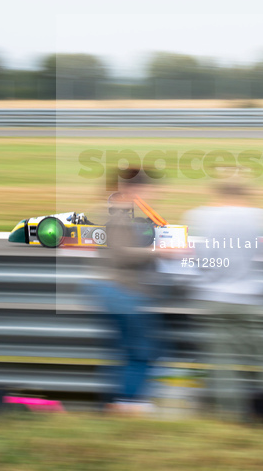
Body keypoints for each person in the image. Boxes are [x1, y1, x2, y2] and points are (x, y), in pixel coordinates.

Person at [184, 177, 263, 421]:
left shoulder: (199, 216)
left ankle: (230, 413)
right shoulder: (262, 217)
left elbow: (200, 259)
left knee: (222, 362)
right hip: (253, 298)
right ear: (246, 194)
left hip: (214, 297)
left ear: (217, 193)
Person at [92, 168, 162, 413]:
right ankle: (126, 405)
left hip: (116, 290)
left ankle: (116, 403)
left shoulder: (124, 212)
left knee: (129, 351)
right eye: (149, 189)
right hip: (121, 291)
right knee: (141, 352)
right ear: (133, 190)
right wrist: (163, 252)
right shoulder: (119, 213)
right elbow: (123, 253)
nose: (153, 194)